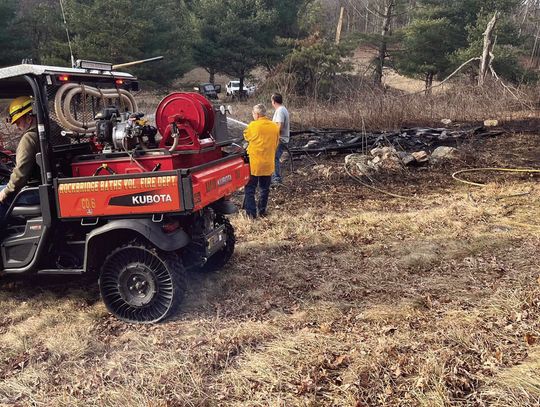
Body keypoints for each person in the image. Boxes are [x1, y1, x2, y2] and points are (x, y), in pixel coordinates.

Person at [0, 96, 40, 219]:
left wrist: (5, 192)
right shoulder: (52, 131)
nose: (17, 126)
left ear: (28, 118)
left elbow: (21, 173)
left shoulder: (29, 138)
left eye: (18, 122)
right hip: (45, 188)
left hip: (34, 191)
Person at [243, 104, 279, 219]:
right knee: (264, 189)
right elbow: (276, 143)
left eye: (253, 114)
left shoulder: (253, 126)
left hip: (255, 164)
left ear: (257, 114)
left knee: (250, 189)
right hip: (268, 163)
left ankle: (251, 214)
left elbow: (246, 136)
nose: (253, 116)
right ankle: (262, 211)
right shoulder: (274, 126)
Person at [271, 93, 290, 185]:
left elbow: (279, 126)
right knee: (274, 158)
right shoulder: (282, 109)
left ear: (274, 101)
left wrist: (274, 137)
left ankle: (276, 179)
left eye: (271, 101)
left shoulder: (280, 111)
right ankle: (274, 178)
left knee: (274, 158)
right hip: (281, 139)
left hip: (280, 139)